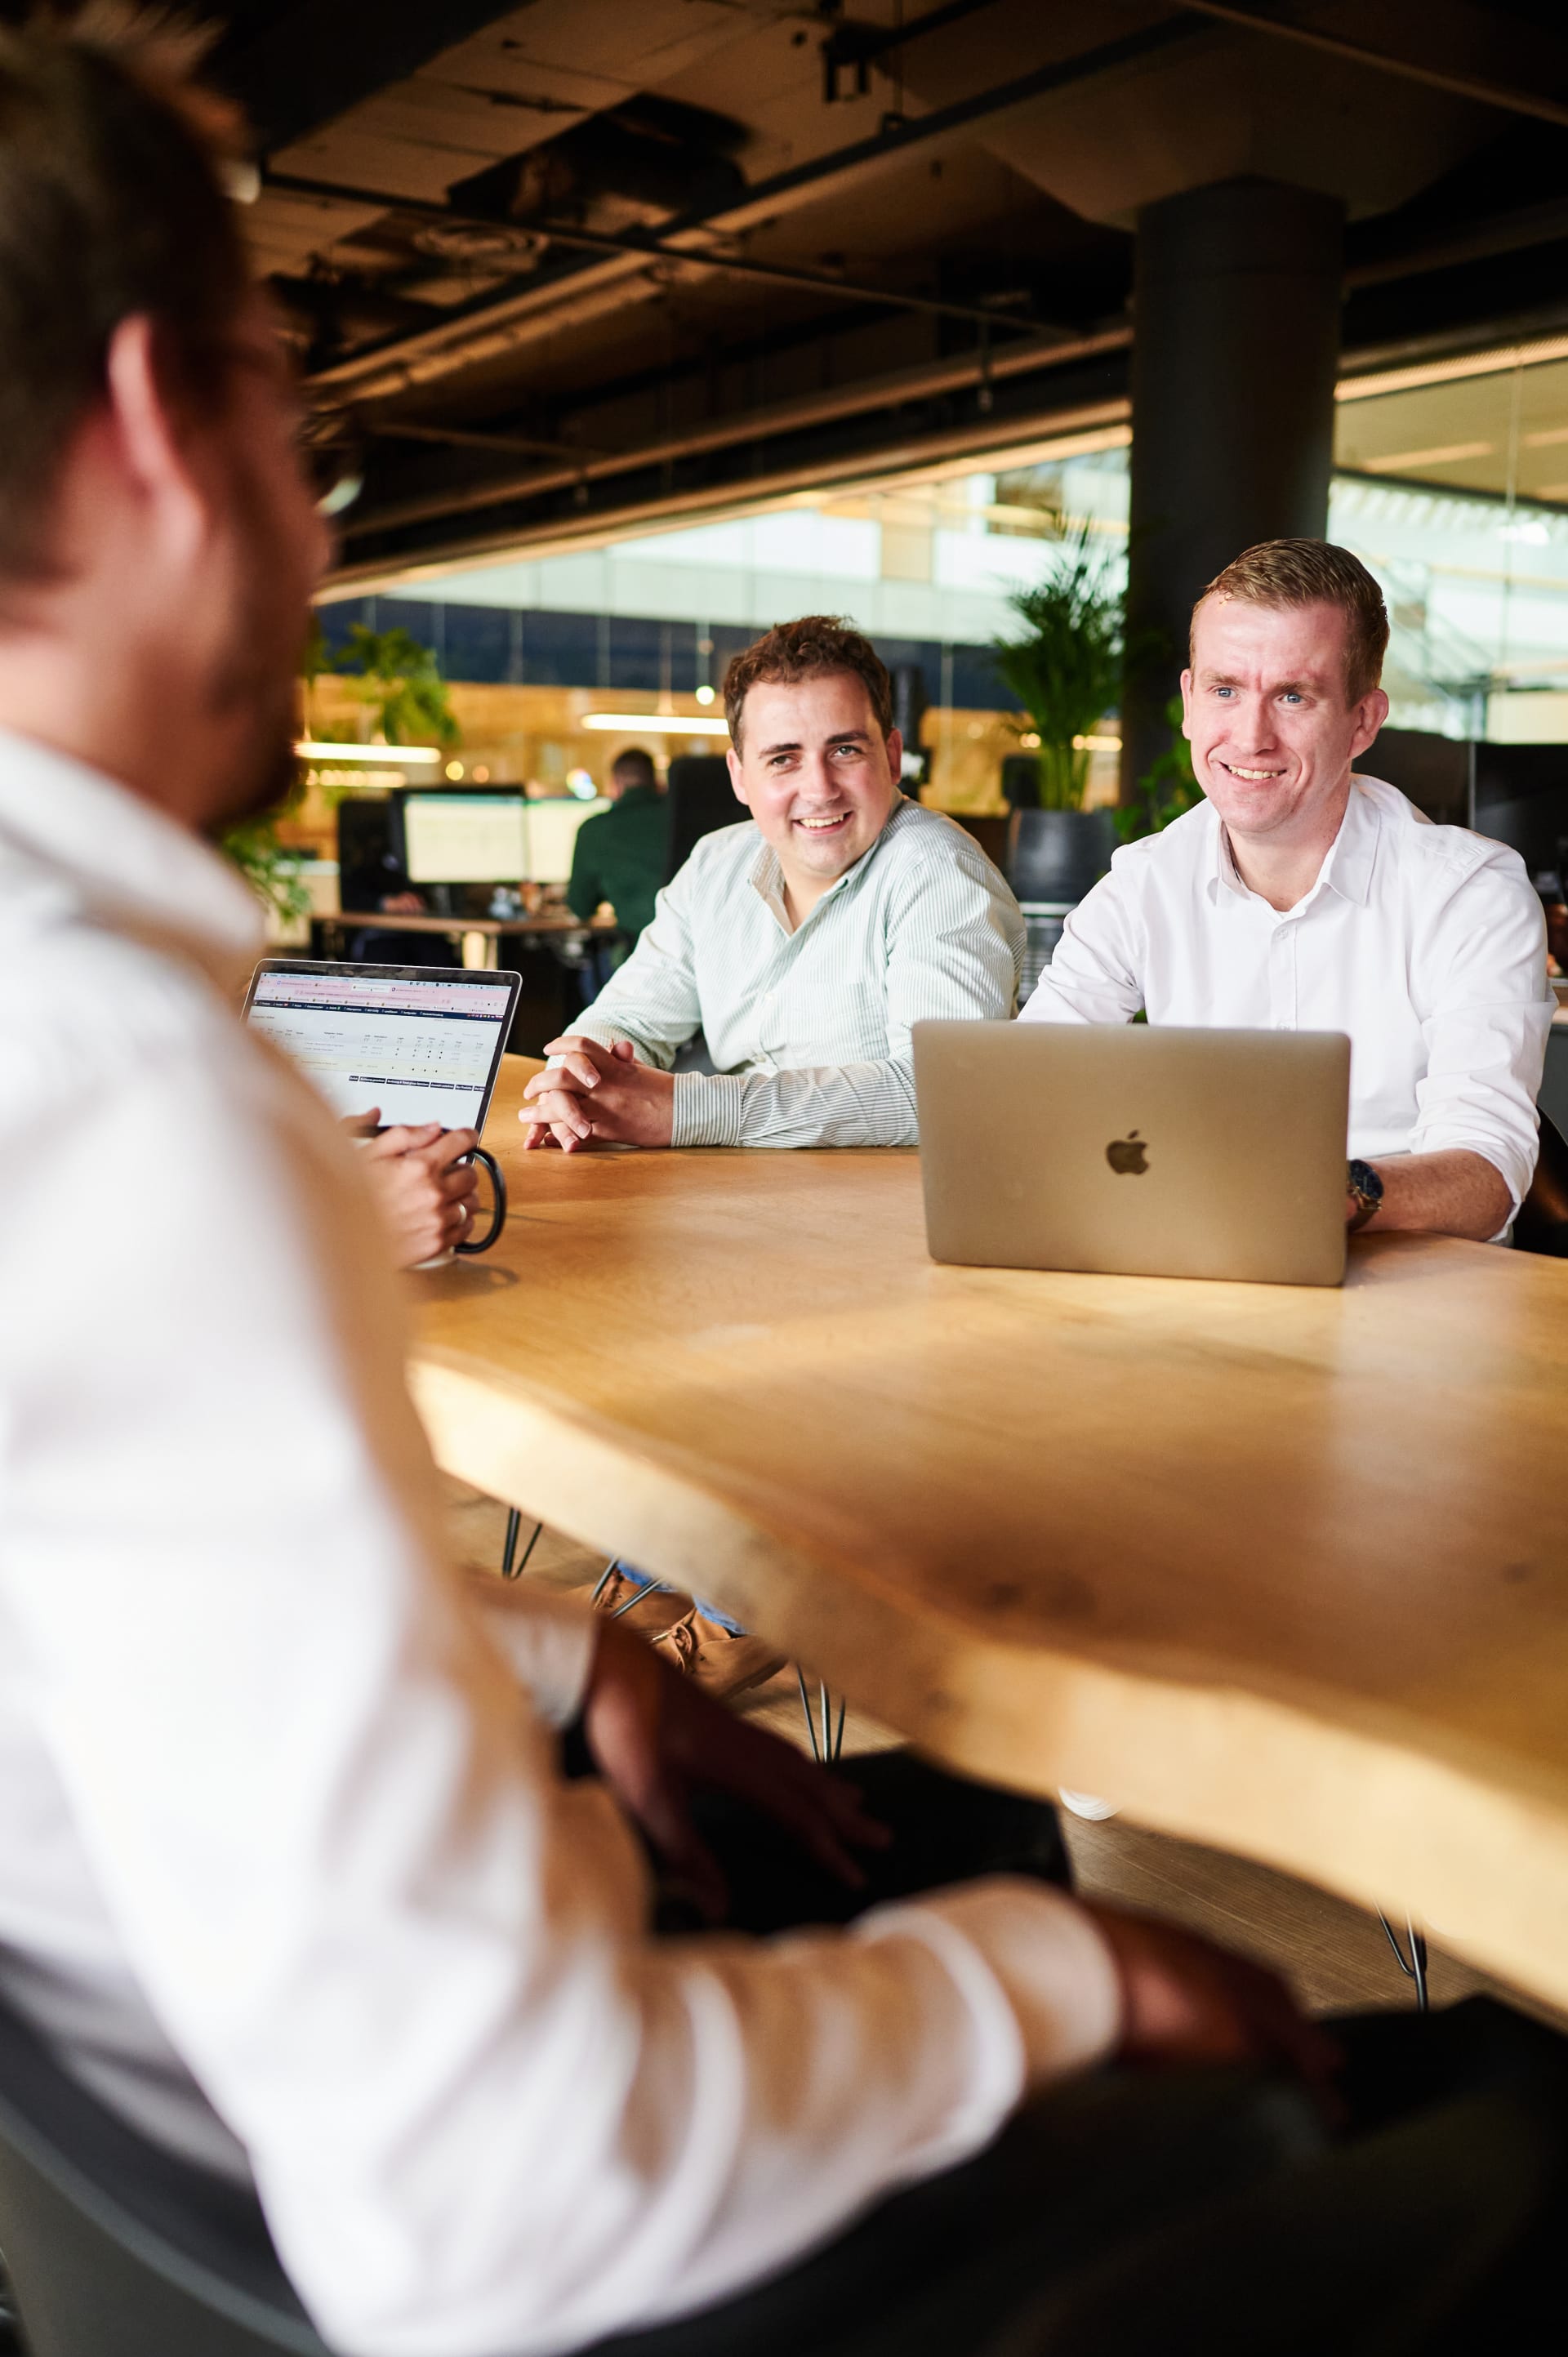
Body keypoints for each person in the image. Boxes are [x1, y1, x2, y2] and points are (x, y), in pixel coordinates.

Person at [0, 27, 1563, 2357]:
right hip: (530, 2259)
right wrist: (1039, 1970)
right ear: (157, 423)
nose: (320, 519)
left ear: (1354, 714)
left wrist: (561, 1652)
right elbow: (501, 2194)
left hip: (160, 2183)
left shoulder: (79, 1060)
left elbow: (93, 1609)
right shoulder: (145, 1117)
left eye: (1292, 696)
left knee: (957, 1811)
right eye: (289, 420)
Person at [1022, 539, 1554, 1241]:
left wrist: (1319, 1194)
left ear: (1363, 721)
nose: (1250, 737)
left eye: (1294, 696)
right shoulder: (1142, 884)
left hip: (1415, 1291)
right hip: (1199, 1265)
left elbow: (1489, 1172)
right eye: (1225, 690)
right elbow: (1027, 1094)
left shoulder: (1470, 894)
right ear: (1188, 702)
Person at [521, 617, 1024, 1152]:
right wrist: (580, 1077)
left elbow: (942, 1092)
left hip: (886, 1217)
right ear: (740, 776)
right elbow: (627, 1017)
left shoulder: (938, 872)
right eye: (783, 759)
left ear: (892, 757)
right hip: (736, 1198)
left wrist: (687, 1111)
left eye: (846, 750)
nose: (819, 788)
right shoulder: (716, 865)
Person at [565, 742, 669, 943]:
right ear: (655, 781)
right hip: (698, 948)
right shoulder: (682, 819)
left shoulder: (595, 830)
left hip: (638, 951)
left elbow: (580, 907)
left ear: (616, 784)